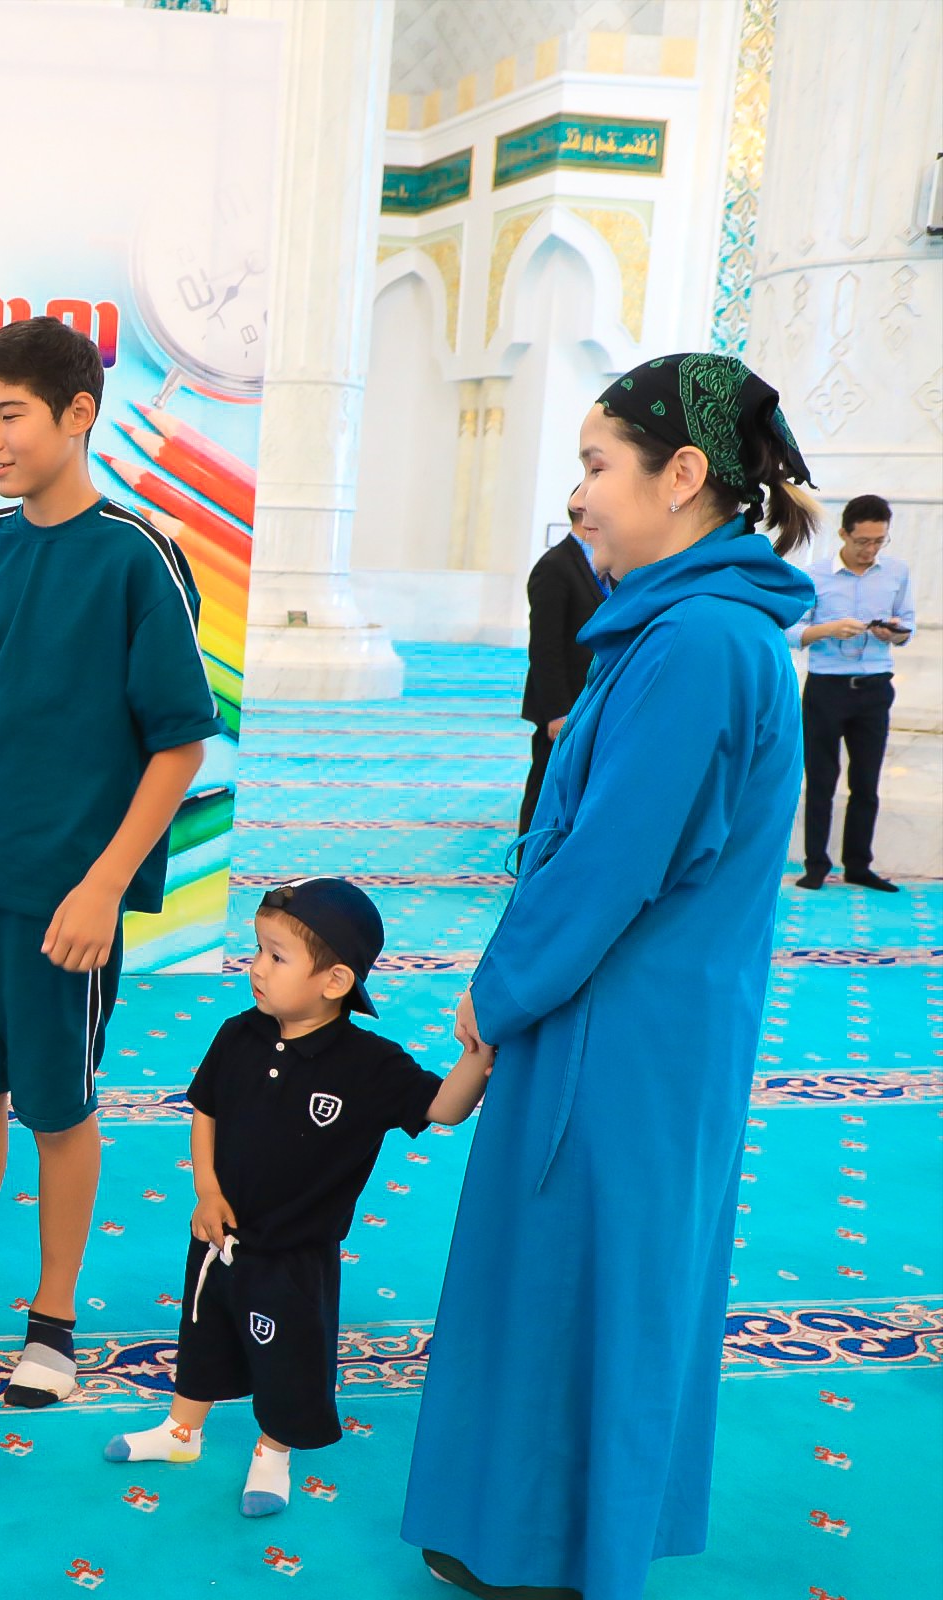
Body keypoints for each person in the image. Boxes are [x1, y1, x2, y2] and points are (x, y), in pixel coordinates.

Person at [403, 353, 821, 1600]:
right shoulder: (685, 627)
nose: (579, 495)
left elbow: (608, 864)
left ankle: (552, 1547)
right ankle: (527, 1528)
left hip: (625, 1027)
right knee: (575, 1269)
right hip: (629, 1015)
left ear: (682, 474)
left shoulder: (697, 641)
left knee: (588, 1272)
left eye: (596, 465)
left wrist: (495, 995)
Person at [0, 317, 223, 1409]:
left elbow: (180, 743)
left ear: (78, 416)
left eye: (9, 414)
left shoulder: (136, 556)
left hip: (64, 899)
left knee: (57, 1109)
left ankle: (53, 1321)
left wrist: (104, 886)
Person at [105, 879, 489, 1517]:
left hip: (295, 1254)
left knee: (288, 1359)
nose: (256, 967)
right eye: (258, 949)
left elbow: (444, 1109)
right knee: (203, 1335)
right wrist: (206, 1191)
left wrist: (477, 1054)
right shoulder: (239, 1034)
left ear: (334, 981)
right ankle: (181, 1431)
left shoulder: (370, 1064)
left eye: (276, 956)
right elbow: (206, 1110)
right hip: (220, 1234)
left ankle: (273, 1452)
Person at [788, 492, 915, 891]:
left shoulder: (897, 572)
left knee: (866, 782)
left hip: (875, 688)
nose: (870, 550)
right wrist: (830, 628)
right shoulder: (814, 575)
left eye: (879, 541)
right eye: (863, 541)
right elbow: (791, 631)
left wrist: (893, 633)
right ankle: (815, 866)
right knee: (820, 780)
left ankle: (859, 866)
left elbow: (908, 626)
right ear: (843, 534)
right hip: (826, 689)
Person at [518, 489, 610, 834]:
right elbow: (545, 648)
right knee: (545, 787)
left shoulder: (603, 563)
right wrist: (557, 711)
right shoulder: (555, 567)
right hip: (562, 708)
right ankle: (529, 856)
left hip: (587, 701)